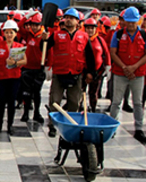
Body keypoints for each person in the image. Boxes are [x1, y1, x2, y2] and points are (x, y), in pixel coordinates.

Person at [45, 8, 96, 138]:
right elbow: (44, 48)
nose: (68, 20)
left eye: (71, 18)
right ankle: (52, 126)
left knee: (74, 102)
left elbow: (90, 56)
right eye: (66, 17)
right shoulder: (56, 35)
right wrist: (44, 40)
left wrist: (91, 73)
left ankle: (71, 126)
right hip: (59, 74)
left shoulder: (84, 37)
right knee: (55, 102)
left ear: (77, 22)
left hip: (76, 74)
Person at [109, 7, 146, 143]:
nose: (131, 24)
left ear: (138, 21)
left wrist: (134, 67)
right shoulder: (118, 34)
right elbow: (113, 52)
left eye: (134, 22)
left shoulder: (145, 34)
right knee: (116, 101)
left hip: (138, 74)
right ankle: (112, 127)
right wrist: (124, 67)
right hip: (120, 73)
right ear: (124, 21)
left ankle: (139, 129)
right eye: (129, 22)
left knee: (138, 102)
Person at [0, 20, 27, 134]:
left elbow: (24, 61)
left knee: (11, 102)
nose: (9, 35)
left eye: (11, 32)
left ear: (15, 33)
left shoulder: (19, 46)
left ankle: (10, 125)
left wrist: (15, 63)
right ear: (3, 33)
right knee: (1, 102)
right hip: (1, 77)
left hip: (14, 77)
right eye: (7, 32)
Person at [19, 12, 47, 123]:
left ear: (41, 25)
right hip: (27, 68)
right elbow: (19, 26)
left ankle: (36, 113)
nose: (34, 27)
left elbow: (50, 51)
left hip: (39, 69)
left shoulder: (44, 37)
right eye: (33, 24)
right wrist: (27, 16)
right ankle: (26, 113)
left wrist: (49, 66)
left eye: (37, 25)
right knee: (26, 92)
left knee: (37, 93)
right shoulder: (28, 35)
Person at [83, 18, 111, 113]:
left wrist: (108, 66)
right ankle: (80, 110)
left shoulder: (100, 40)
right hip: (83, 72)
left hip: (97, 72)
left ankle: (93, 110)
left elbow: (106, 53)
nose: (90, 30)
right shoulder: (81, 39)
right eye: (88, 28)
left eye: (92, 28)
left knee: (93, 93)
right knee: (81, 93)